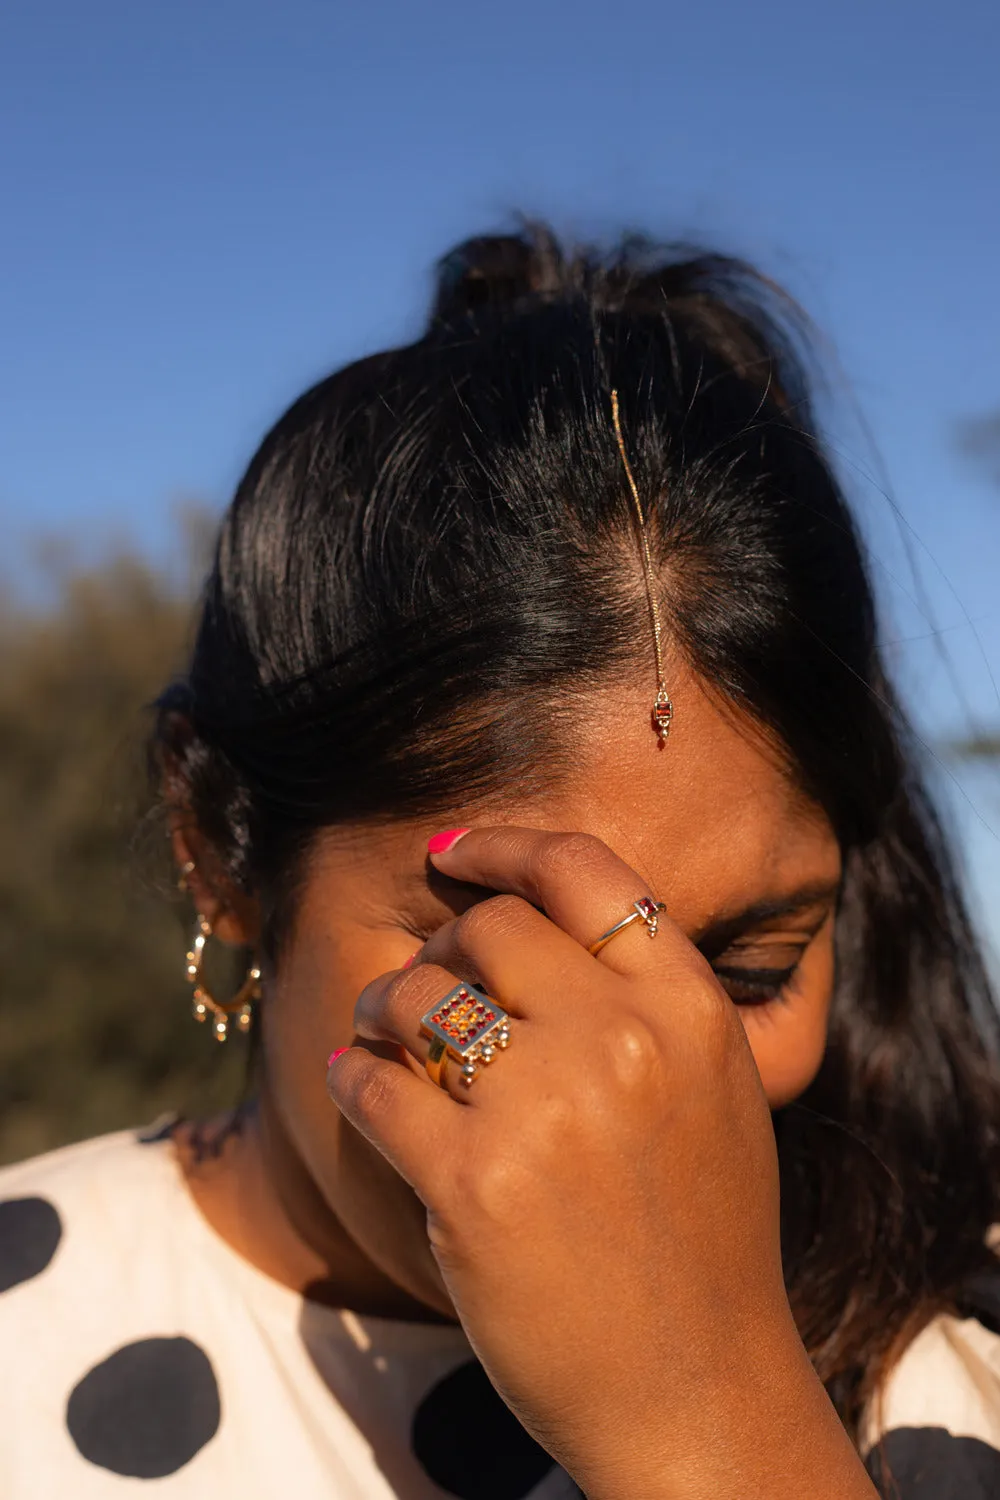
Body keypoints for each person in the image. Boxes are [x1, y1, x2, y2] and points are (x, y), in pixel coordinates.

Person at [1, 224, 999, 1500]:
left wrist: (711, 1416)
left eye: (748, 969)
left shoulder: (948, 1371)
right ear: (220, 854)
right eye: (499, 948)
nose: (642, 1063)